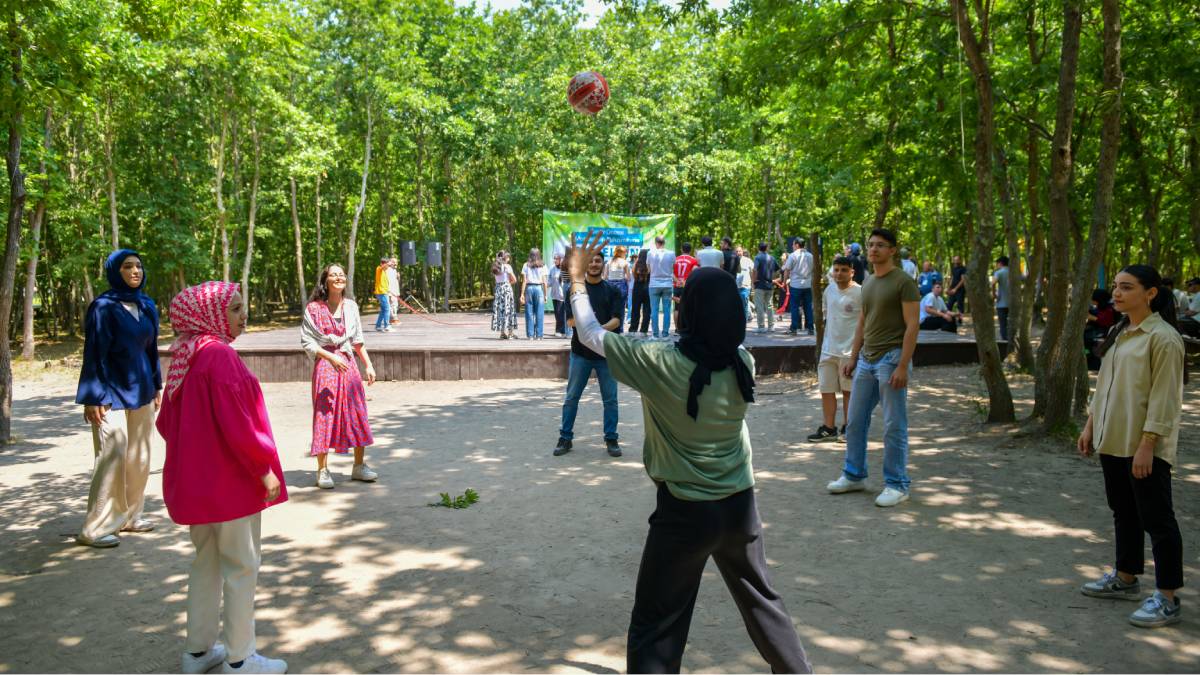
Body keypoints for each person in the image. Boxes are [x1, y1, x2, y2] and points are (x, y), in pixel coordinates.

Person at [565, 232, 812, 674]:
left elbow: (588, 334)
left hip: (684, 514)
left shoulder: (659, 361)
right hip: (740, 507)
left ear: (688, 309)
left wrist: (577, 279)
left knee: (657, 624)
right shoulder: (743, 363)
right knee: (763, 604)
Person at [158, 281, 289, 675]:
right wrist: (263, 469)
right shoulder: (219, 358)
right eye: (233, 308)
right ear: (210, 315)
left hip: (199, 489)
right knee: (241, 567)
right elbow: (241, 428)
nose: (242, 314)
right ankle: (239, 658)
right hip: (231, 486)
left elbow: (166, 424)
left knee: (207, 565)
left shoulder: (186, 356)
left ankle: (198, 652)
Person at [1077, 264, 1185, 629]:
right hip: (1113, 439)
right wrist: (1091, 426)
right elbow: (1104, 385)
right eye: (1117, 287)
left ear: (1150, 293)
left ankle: (1168, 597)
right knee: (1123, 511)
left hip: (1144, 445)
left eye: (1127, 287)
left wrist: (1148, 445)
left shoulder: (1164, 338)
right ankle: (1125, 578)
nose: (1117, 294)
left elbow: (1165, 398)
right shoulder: (1119, 330)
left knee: (1158, 519)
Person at [74, 249, 162, 548]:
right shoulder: (103, 307)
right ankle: (95, 528)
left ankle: (129, 517)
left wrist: (157, 385)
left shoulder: (147, 305)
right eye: (128, 266)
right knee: (112, 453)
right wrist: (91, 395)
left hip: (143, 391)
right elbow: (94, 353)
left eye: (139, 265)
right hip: (108, 391)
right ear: (115, 271)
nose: (135, 271)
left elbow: (152, 351)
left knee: (140, 457)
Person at [827, 228, 920, 508]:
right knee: (854, 421)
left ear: (893, 250)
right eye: (870, 245)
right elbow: (863, 322)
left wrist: (903, 365)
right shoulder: (868, 283)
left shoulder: (903, 282)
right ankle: (854, 475)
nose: (873, 250)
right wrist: (853, 357)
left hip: (891, 359)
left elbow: (913, 324)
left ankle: (897, 484)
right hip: (866, 360)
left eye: (880, 245)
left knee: (894, 424)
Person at [302, 264, 378, 490]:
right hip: (326, 364)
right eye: (333, 274)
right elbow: (308, 341)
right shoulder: (314, 308)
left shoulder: (351, 307)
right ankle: (322, 470)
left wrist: (368, 365)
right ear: (325, 280)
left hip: (348, 362)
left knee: (356, 410)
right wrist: (330, 357)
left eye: (341, 274)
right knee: (325, 413)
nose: (338, 277)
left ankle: (358, 465)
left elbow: (357, 340)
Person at [554, 249, 624, 458]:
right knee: (571, 398)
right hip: (580, 354)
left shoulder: (613, 290)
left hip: (606, 354)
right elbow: (570, 321)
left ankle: (611, 439)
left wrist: (596, 330)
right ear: (585, 264)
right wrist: (587, 329)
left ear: (604, 264)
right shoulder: (575, 291)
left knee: (610, 400)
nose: (594, 264)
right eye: (591, 261)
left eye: (598, 261)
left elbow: (617, 320)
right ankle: (565, 437)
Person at [807, 256, 861, 443]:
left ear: (852, 272)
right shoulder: (829, 290)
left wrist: (856, 353)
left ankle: (849, 427)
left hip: (849, 352)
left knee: (848, 392)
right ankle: (829, 428)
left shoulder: (860, 293)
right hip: (828, 350)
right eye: (836, 269)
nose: (839, 273)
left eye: (844, 270)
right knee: (826, 390)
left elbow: (865, 324)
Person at [783, 237, 814, 335]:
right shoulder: (811, 256)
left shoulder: (793, 256)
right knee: (808, 306)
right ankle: (810, 328)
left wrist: (784, 282)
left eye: (793, 244)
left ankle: (794, 328)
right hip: (808, 284)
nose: (792, 246)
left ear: (797, 245)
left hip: (795, 285)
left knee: (795, 307)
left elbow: (787, 270)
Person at [646, 236, 675, 339]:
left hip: (654, 284)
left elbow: (648, 270)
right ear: (664, 242)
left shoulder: (650, 253)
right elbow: (672, 268)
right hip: (667, 284)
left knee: (654, 309)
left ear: (655, 242)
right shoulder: (671, 253)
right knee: (667, 310)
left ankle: (655, 334)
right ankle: (666, 334)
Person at [1085, 288, 1119, 370]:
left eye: (1094, 300)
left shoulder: (1110, 308)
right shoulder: (1100, 307)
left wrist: (1091, 317)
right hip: (1095, 333)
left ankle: (1090, 359)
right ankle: (1087, 355)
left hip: (1104, 334)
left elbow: (1105, 320)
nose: (1092, 302)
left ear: (1099, 300)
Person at [672, 242, 700, 337]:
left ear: (681, 249)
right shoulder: (694, 260)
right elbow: (694, 272)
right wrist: (684, 281)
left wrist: (677, 281)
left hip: (676, 285)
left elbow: (671, 272)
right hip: (687, 286)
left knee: (676, 308)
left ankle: (676, 328)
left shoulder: (675, 259)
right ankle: (685, 328)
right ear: (690, 250)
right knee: (688, 306)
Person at [521, 248, 548, 340]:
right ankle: (539, 336)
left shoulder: (526, 265)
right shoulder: (543, 265)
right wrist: (545, 295)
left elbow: (524, 281)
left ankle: (530, 335)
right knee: (539, 312)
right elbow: (544, 282)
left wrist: (522, 294)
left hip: (529, 288)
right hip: (538, 288)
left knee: (529, 312)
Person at [752, 242, 779, 333]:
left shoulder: (757, 257)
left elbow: (755, 270)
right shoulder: (772, 258)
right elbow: (777, 270)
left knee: (759, 306)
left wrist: (754, 281)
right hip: (769, 285)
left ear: (758, 248)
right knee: (770, 305)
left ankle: (761, 326)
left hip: (759, 285)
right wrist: (773, 279)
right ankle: (771, 326)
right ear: (766, 248)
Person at [491, 251, 518, 339]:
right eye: (508, 257)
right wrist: (508, 282)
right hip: (506, 289)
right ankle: (510, 333)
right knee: (509, 309)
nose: (509, 259)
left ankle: (502, 333)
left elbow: (496, 279)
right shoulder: (507, 267)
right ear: (505, 258)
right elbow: (514, 280)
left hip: (498, 289)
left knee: (501, 310)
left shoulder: (495, 267)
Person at [628, 249, 652, 336]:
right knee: (647, 310)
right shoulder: (650, 264)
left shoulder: (636, 264)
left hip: (637, 288)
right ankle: (643, 330)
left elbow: (633, 275)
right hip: (648, 288)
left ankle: (633, 329)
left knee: (635, 309)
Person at [606, 245, 632, 318]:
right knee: (621, 308)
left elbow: (605, 276)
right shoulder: (625, 262)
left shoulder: (609, 262)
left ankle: (610, 326)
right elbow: (628, 278)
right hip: (621, 286)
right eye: (625, 253)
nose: (626, 254)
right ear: (622, 253)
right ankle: (620, 327)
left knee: (610, 307)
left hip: (610, 285)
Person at [993, 256, 1011, 341]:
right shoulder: (1014, 272)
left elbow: (993, 283)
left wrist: (994, 294)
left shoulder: (998, 273)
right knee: (1012, 324)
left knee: (1003, 324)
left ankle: (1005, 342)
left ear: (1000, 263)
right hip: (1013, 303)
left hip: (1001, 303)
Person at [549, 252, 567, 337]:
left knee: (561, 313)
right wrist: (544, 284)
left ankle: (561, 331)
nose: (555, 260)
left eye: (557, 259)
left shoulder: (564, 269)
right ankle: (559, 330)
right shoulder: (552, 269)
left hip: (562, 296)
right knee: (557, 313)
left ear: (561, 260)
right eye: (554, 258)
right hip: (554, 295)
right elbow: (550, 281)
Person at [735, 245, 754, 321]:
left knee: (745, 303)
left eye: (739, 251)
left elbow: (752, 272)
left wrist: (752, 284)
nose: (738, 253)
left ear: (742, 252)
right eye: (736, 251)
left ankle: (744, 320)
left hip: (745, 286)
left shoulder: (748, 261)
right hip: (735, 286)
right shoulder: (732, 261)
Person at [373, 256, 392, 332]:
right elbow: (382, 266)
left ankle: (378, 325)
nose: (388, 267)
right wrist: (388, 263)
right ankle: (387, 326)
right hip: (382, 292)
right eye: (387, 265)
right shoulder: (379, 269)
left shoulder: (383, 271)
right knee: (387, 309)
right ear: (383, 264)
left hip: (383, 292)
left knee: (383, 310)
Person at [386, 257, 401, 326]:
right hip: (391, 292)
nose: (395, 263)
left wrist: (398, 277)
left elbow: (396, 281)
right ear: (390, 263)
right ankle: (393, 319)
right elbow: (387, 282)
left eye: (396, 262)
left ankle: (392, 318)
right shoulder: (387, 270)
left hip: (395, 291)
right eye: (394, 262)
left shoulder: (394, 271)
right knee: (393, 305)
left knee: (395, 305)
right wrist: (389, 293)